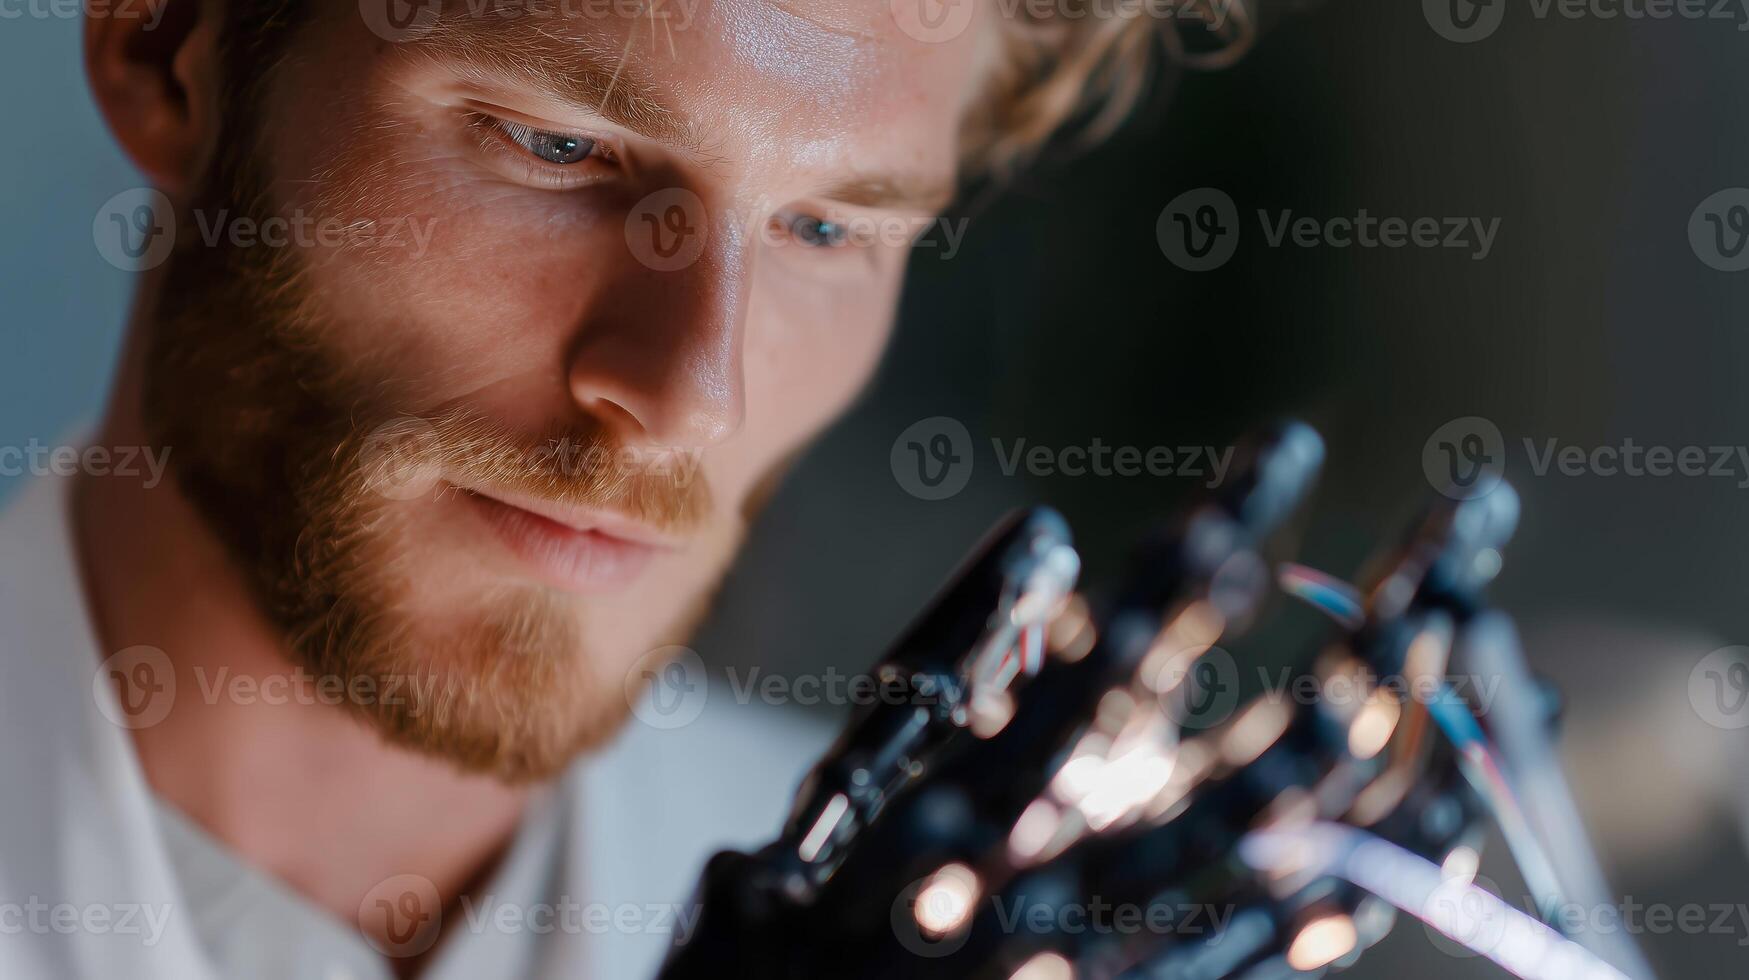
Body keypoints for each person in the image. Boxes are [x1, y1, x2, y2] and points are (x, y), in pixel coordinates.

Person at [0, 1, 1244, 977]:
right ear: (166, 53)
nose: (691, 393)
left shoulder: (930, 924)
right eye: (558, 146)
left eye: (823, 230)